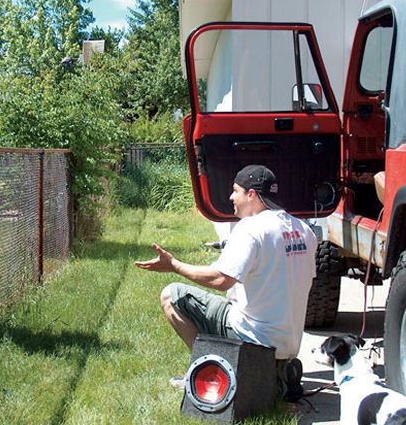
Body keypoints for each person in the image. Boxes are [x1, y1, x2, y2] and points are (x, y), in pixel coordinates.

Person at [134, 164, 317, 398]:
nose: (231, 197)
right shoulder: (304, 229)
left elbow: (221, 280)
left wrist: (174, 266)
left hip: (255, 339)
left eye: (235, 190)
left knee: (171, 295)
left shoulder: (251, 228)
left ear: (251, 194)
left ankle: (210, 376)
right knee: (232, 303)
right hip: (288, 345)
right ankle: (278, 375)